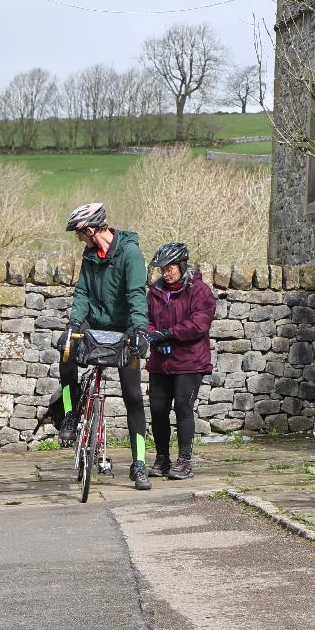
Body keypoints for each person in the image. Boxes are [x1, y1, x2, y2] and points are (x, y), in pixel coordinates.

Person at [55, 202, 154, 490]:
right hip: (94, 324)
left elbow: (137, 295)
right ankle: (71, 414)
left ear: (89, 229)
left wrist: (138, 330)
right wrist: (74, 323)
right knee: (66, 350)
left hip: (124, 329)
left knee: (133, 395)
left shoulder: (131, 254)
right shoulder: (89, 256)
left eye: (78, 232)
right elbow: (83, 292)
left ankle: (139, 465)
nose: (77, 238)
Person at [145, 241, 215, 480]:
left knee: (183, 407)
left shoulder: (199, 290)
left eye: (170, 267)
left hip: (190, 361)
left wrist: (168, 333)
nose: (166, 272)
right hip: (160, 361)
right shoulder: (154, 292)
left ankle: (184, 460)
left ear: (182, 265)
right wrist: (153, 334)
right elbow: (145, 319)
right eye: (162, 268)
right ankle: (162, 458)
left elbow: (199, 323)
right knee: (157, 410)